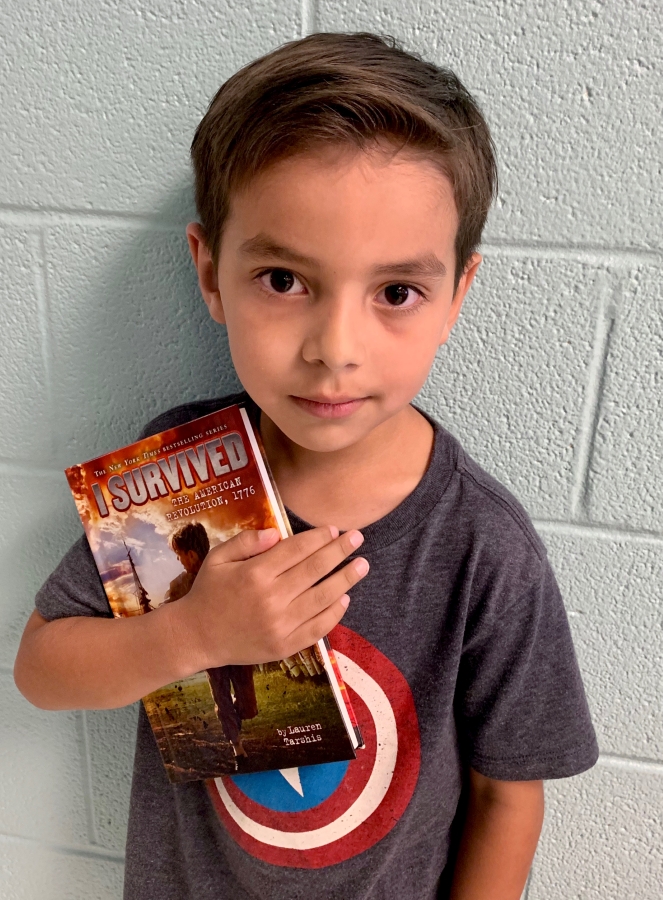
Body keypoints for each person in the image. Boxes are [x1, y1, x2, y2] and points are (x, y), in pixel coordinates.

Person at [13, 32, 598, 900]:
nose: (335, 350)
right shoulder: (183, 477)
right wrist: (193, 634)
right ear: (210, 271)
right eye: (284, 280)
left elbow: (506, 793)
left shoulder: (481, 544)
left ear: (456, 298)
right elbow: (41, 671)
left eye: (395, 292)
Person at [164, 523, 258, 763]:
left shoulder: (228, 569)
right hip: (209, 653)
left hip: (238, 647)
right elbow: (169, 616)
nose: (180, 561)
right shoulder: (178, 585)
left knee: (247, 699)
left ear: (191, 554)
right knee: (221, 696)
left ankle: (237, 721)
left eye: (180, 556)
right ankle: (237, 747)